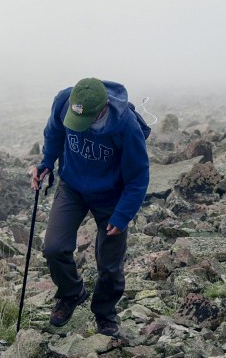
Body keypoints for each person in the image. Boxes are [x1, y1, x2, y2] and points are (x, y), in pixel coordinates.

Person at [30, 78, 150, 337]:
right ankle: (72, 293)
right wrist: (46, 163)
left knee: (109, 264)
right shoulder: (65, 101)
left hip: (112, 196)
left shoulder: (126, 127)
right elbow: (54, 134)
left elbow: (138, 177)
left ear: (103, 108)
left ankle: (105, 312)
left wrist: (122, 216)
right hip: (72, 186)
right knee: (53, 247)